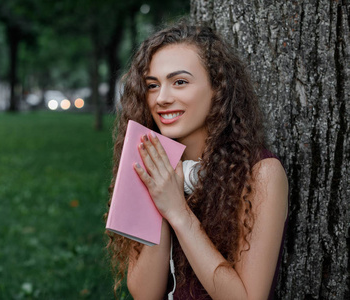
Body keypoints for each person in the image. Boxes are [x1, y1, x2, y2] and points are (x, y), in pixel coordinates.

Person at [106, 21, 288, 300]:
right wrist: (162, 202)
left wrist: (178, 211)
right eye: (152, 85)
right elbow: (145, 293)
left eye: (179, 82)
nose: (162, 99)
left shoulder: (261, 173)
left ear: (218, 89)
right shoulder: (148, 164)